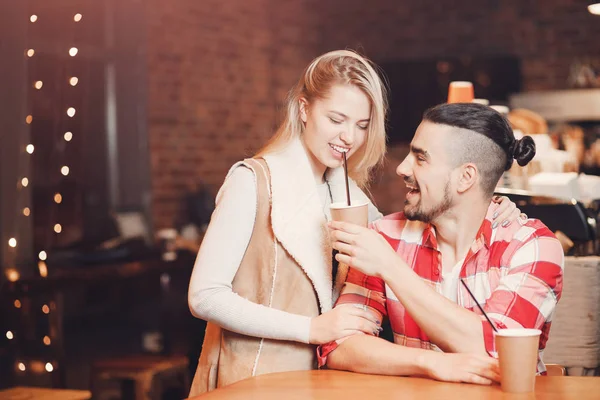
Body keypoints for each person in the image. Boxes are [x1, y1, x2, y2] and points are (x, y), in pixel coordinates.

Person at [187, 52, 522, 395]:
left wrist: (490, 205)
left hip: (320, 379)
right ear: (304, 109)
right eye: (336, 119)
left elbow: (408, 230)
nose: (349, 136)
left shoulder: (347, 193)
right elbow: (205, 296)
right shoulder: (252, 181)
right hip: (252, 375)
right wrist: (311, 329)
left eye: (362, 125)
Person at [322, 103, 564, 385]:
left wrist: (391, 268)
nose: (402, 168)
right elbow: (339, 345)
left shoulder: (533, 246)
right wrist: (431, 363)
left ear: (465, 178)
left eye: (421, 158)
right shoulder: (385, 236)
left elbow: (500, 352)